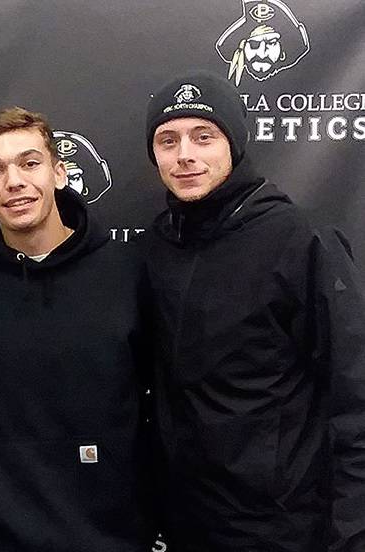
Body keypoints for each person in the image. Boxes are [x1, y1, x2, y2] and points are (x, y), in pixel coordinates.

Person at [144, 70, 365, 551]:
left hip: (282, 529)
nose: (185, 154)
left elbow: (355, 394)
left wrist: (353, 534)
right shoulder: (159, 245)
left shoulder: (301, 239)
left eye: (204, 136)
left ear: (235, 142)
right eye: (168, 140)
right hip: (185, 526)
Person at [0, 107, 153, 551]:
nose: (14, 182)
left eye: (29, 163)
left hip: (111, 537)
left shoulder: (128, 270)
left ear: (59, 173)